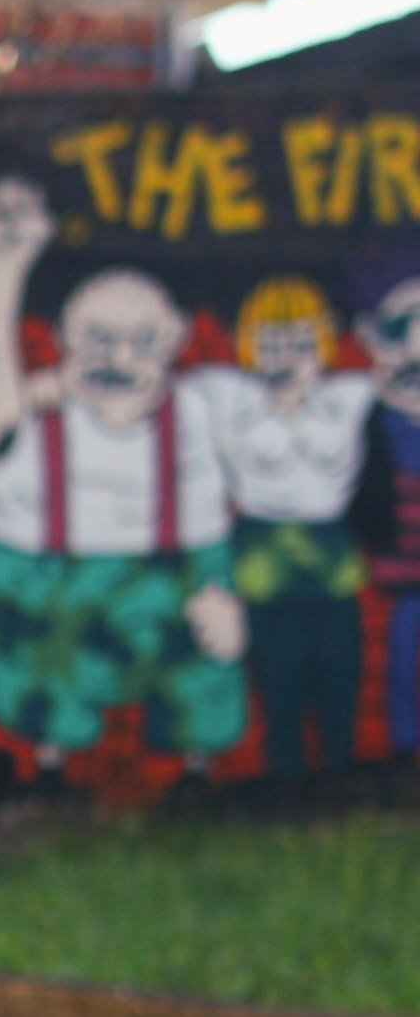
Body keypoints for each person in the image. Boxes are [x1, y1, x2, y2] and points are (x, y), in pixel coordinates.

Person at [0, 175, 247, 795]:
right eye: (99, 340)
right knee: (43, 689)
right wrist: (4, 261)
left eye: (144, 342)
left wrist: (225, 599)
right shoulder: (29, 424)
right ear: (63, 339)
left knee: (201, 678)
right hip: (47, 592)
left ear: (176, 338)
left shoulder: (204, 413)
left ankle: (196, 781)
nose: (120, 360)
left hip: (174, 587)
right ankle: (49, 775)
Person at [209, 277, 373, 788]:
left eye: (301, 344)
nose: (286, 358)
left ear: (323, 341)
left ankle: (337, 777)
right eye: (271, 344)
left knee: (339, 672)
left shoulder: (349, 395)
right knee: (276, 677)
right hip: (263, 550)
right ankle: (286, 782)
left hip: (331, 550)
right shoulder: (228, 395)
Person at [351, 262, 420, 769]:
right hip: (402, 572)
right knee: (402, 654)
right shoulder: (374, 423)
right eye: (400, 333)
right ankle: (405, 744)